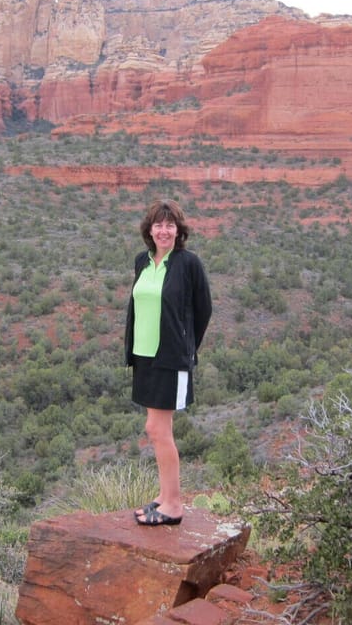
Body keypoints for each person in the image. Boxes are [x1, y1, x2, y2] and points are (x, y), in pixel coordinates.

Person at [125, 199, 212, 526]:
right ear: (150, 230)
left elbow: (204, 309)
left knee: (157, 430)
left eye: (170, 225)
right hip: (144, 356)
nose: (164, 230)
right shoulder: (142, 262)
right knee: (158, 429)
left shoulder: (188, 263)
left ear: (179, 231)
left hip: (171, 358)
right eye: (159, 225)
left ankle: (174, 505)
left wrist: (187, 348)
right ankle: (164, 496)